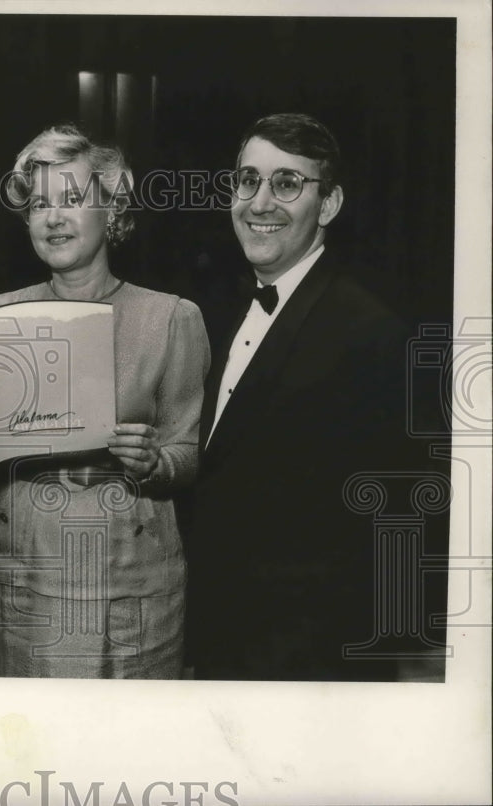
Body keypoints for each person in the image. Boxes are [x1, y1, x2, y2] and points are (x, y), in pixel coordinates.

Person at [0, 124, 210, 678]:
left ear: (111, 212)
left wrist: (157, 462)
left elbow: (188, 454)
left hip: (134, 595)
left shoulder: (171, 318)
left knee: (124, 756)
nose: (53, 217)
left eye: (72, 198)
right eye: (39, 204)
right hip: (20, 589)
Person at [190, 113, 410, 681]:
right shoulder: (215, 313)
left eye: (286, 183)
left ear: (329, 205)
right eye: (247, 180)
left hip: (307, 667)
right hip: (221, 647)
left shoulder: (369, 332)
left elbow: (388, 533)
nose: (259, 202)